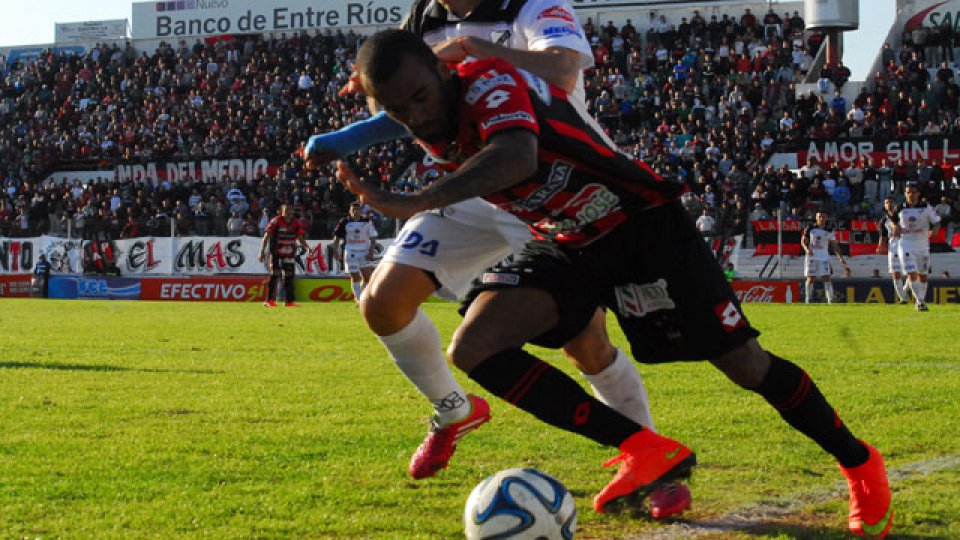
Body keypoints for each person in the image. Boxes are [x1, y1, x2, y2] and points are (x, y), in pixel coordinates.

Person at [338, 29, 892, 536]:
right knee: (477, 347)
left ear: (440, 74)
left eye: (420, 96)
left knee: (746, 365)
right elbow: (399, 106)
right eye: (397, 108)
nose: (417, 114)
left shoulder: (487, 82)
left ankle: (859, 462)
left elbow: (516, 155)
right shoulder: (424, 111)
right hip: (568, 240)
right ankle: (644, 448)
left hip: (641, 225)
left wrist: (416, 201)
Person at [302, 0, 688, 518]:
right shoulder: (422, 18)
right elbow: (411, 101)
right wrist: (348, 137)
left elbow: (563, 69)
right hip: (470, 187)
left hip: (548, 183)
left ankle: (653, 460)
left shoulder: (531, 5)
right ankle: (453, 411)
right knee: (382, 305)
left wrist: (476, 50)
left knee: (588, 348)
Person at [897, 183, 941, 311]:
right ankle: (920, 302)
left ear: (918, 194)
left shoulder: (926, 207)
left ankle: (920, 300)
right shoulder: (900, 208)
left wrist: (935, 230)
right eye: (908, 192)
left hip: (922, 246)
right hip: (906, 245)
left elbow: (937, 221)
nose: (910, 195)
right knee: (911, 273)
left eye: (913, 192)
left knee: (923, 275)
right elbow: (893, 222)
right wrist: (895, 228)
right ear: (905, 194)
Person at [259, 204, 310, 307]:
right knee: (275, 275)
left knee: (289, 276)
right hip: (276, 252)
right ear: (282, 211)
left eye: (291, 211)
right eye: (287, 210)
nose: (289, 213)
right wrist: (262, 251)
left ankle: (289, 301)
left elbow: (300, 237)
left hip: (289, 253)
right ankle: (269, 301)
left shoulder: (295, 223)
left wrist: (307, 247)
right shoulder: (276, 221)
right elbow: (266, 236)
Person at [331, 202, 379, 302]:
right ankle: (359, 300)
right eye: (353, 210)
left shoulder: (367, 221)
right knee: (355, 277)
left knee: (367, 277)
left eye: (357, 210)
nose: (355, 212)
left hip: (364, 252)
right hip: (350, 251)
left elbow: (373, 237)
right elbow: (337, 238)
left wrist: (371, 251)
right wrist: (336, 251)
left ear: (361, 211)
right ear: (350, 211)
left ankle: (361, 296)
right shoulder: (344, 222)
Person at [802, 212, 847, 304]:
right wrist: (806, 249)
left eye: (823, 217)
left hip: (823, 257)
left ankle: (830, 300)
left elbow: (835, 245)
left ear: (826, 218)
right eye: (819, 217)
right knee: (811, 278)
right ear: (816, 218)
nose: (821, 219)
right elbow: (803, 241)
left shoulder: (829, 230)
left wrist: (840, 258)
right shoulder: (810, 228)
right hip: (812, 257)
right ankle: (808, 299)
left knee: (826, 277)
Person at [877, 197, 908, 304]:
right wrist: (880, 246)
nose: (888, 204)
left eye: (891, 202)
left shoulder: (901, 215)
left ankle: (904, 291)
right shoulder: (884, 220)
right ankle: (902, 298)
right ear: (884, 205)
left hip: (905, 243)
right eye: (886, 202)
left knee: (911, 271)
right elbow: (883, 235)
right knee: (895, 272)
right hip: (893, 246)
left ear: (894, 204)